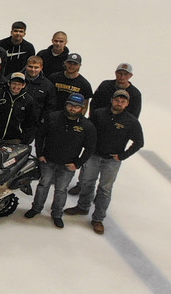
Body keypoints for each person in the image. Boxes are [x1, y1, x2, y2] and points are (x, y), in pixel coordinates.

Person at [65, 89, 143, 234]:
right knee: (87, 183)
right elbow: (87, 130)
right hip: (93, 156)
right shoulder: (99, 113)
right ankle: (82, 207)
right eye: (117, 100)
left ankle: (98, 218)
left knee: (105, 189)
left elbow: (139, 142)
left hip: (112, 161)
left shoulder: (131, 121)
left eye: (122, 101)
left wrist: (122, 156)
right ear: (112, 100)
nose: (119, 103)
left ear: (127, 104)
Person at [26, 93, 95, 229]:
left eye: (76, 107)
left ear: (81, 108)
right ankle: (36, 208)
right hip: (48, 160)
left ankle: (57, 214)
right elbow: (40, 136)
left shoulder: (87, 126)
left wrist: (78, 164)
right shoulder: (53, 117)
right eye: (70, 105)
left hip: (68, 165)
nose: (72, 109)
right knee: (43, 185)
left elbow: (90, 147)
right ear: (66, 105)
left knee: (61, 190)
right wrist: (40, 154)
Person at [0, 72, 38, 146]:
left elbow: (30, 121)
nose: (16, 86)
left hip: (14, 140)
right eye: (14, 83)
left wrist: (24, 138)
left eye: (19, 84)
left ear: (24, 85)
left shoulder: (28, 100)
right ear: (9, 83)